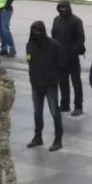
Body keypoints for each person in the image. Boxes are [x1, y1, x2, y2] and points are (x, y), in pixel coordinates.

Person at [25, 20, 63, 151]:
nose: (35, 34)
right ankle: (38, 136)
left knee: (54, 112)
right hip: (36, 83)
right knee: (37, 112)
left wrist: (54, 77)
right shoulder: (30, 44)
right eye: (33, 31)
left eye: (37, 31)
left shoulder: (53, 45)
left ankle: (58, 139)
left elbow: (61, 62)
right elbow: (29, 61)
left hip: (50, 84)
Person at [51, 0, 86, 116]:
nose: (62, 10)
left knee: (76, 82)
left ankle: (78, 106)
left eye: (64, 8)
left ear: (69, 8)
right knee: (63, 82)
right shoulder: (56, 20)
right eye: (60, 8)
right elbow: (53, 36)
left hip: (72, 57)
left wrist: (75, 50)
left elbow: (81, 38)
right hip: (60, 57)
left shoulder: (76, 21)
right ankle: (65, 104)